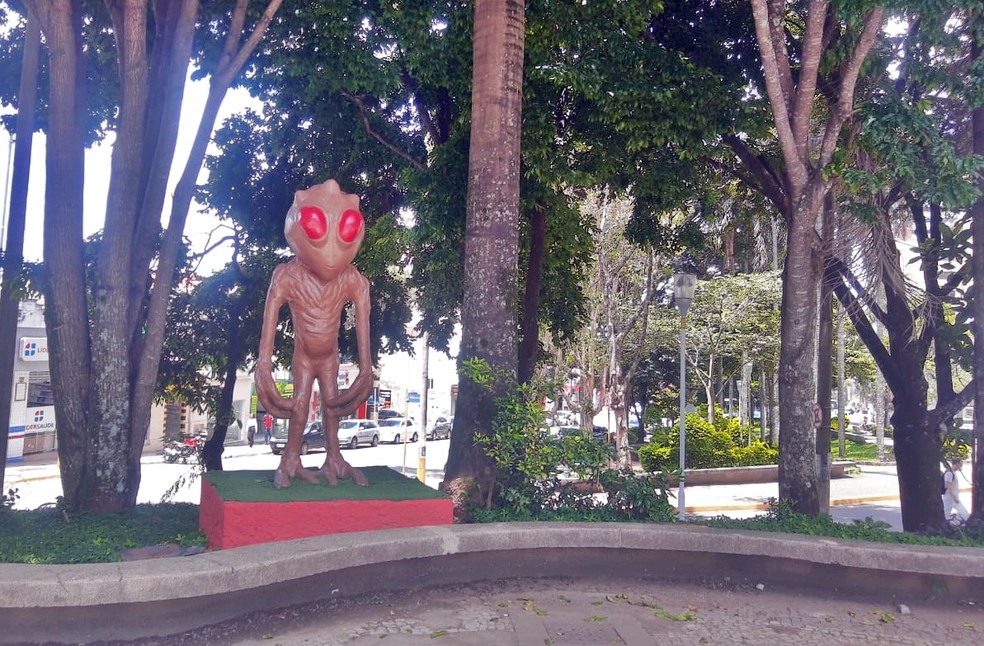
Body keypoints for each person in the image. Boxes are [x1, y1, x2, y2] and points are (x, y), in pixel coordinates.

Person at [942, 457, 968, 524]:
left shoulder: (953, 473)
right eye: (961, 464)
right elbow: (948, 486)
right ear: (956, 463)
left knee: (965, 514)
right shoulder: (949, 473)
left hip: (954, 497)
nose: (961, 466)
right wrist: (954, 497)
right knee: (946, 515)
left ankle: (958, 522)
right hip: (950, 498)